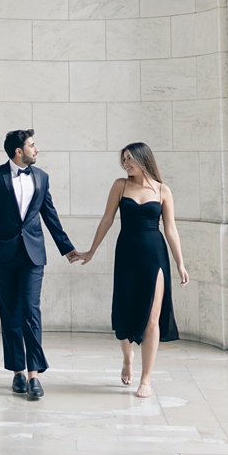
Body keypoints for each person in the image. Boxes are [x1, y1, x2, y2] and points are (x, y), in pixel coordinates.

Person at [72, 142, 188, 397]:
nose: (125, 164)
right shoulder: (120, 185)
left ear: (142, 158)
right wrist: (91, 251)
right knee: (124, 309)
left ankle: (146, 380)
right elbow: (107, 219)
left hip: (155, 255)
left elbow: (170, 229)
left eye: (129, 159)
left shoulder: (162, 190)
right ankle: (127, 358)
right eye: (123, 159)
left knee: (152, 316)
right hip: (126, 253)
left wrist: (180, 262)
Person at [0, 128, 79, 399]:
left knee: (30, 312)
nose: (37, 150)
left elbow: (50, 215)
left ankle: (34, 374)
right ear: (18, 151)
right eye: (33, 145)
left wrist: (66, 248)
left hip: (33, 254)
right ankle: (17, 373)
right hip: (2, 254)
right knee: (9, 312)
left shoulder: (42, 177)